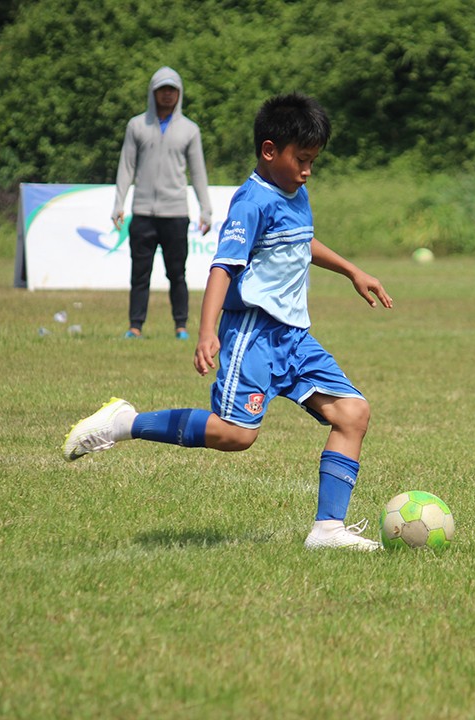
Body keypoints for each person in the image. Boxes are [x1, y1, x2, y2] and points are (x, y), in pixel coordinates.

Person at [65, 93, 394, 551]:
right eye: (301, 159)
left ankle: (327, 530)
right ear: (268, 150)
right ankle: (126, 422)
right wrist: (206, 332)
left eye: (313, 161)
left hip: (293, 337)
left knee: (353, 413)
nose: (307, 171)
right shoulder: (250, 202)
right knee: (237, 435)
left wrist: (353, 271)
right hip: (254, 333)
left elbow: (302, 243)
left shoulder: (296, 194)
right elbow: (222, 267)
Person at [112, 67, 214, 340]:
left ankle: (181, 326)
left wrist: (206, 209)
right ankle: (135, 326)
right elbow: (126, 166)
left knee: (177, 274)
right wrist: (118, 203)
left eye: (172, 90)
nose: (167, 95)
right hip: (143, 211)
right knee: (140, 273)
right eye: (162, 90)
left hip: (176, 212)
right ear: (153, 93)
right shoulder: (136, 125)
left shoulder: (190, 129)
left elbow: (198, 172)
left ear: (179, 93)